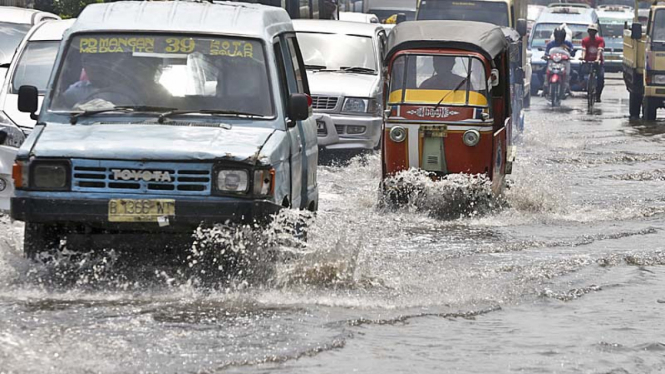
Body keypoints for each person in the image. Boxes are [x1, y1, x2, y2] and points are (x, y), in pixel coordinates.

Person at [545, 25, 574, 94]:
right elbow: (546, 53)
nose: (559, 38)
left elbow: (572, 53)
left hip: (563, 64)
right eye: (558, 36)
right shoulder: (550, 44)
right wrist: (546, 56)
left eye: (560, 36)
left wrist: (567, 48)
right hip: (552, 64)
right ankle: (545, 86)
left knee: (574, 74)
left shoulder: (568, 43)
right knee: (540, 72)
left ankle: (567, 87)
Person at [581, 23, 605, 102]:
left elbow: (599, 50)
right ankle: (583, 84)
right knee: (580, 70)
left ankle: (598, 96)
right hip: (588, 61)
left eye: (593, 31)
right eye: (590, 31)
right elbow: (584, 50)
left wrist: (597, 59)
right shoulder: (585, 40)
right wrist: (583, 58)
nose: (592, 33)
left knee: (600, 78)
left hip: (598, 63)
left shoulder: (600, 40)